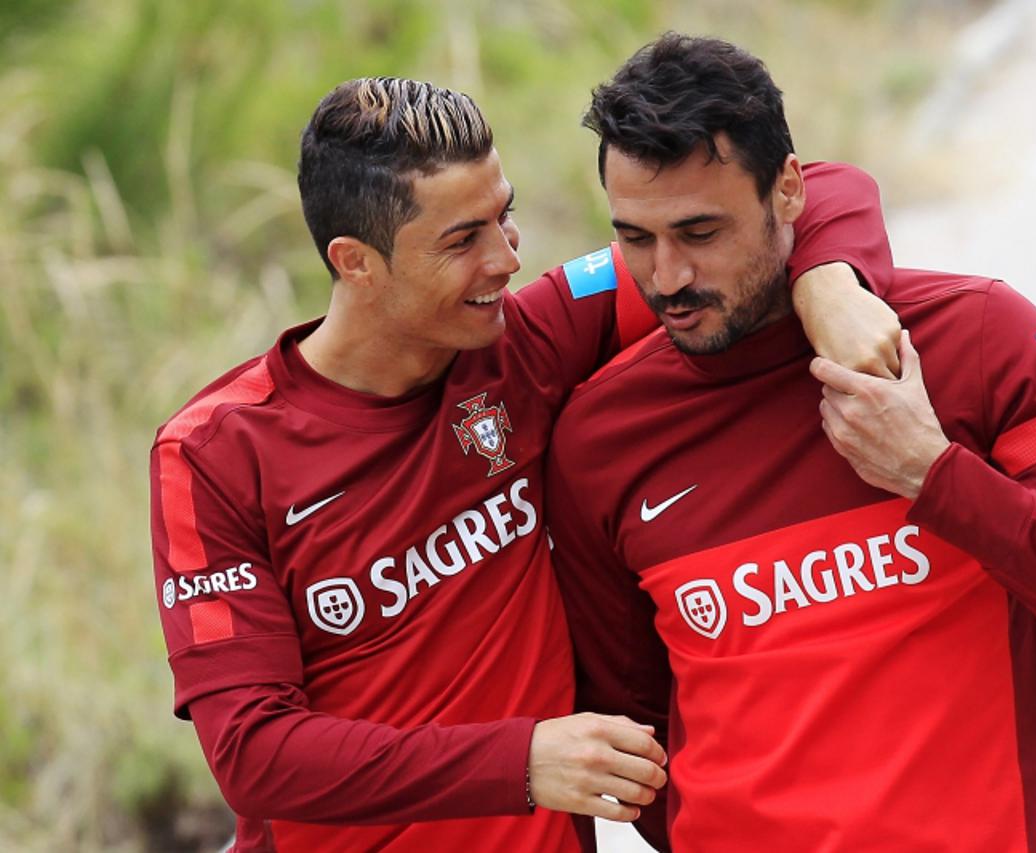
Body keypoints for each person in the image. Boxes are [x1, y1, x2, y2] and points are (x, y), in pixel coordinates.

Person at [148, 76, 901, 852]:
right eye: (462, 240)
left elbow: (808, 192)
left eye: (503, 216)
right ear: (357, 263)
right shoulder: (212, 453)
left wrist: (829, 286)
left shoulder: (524, 342)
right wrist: (520, 760)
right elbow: (254, 753)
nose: (507, 258)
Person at [544, 33, 1036, 853]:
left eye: (700, 232)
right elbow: (634, 725)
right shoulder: (601, 437)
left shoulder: (979, 338)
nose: (667, 277)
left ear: (790, 191)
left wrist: (934, 474)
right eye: (636, 239)